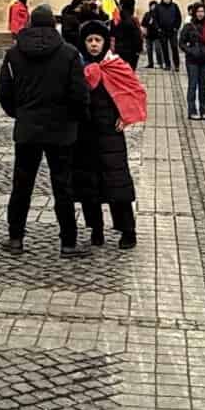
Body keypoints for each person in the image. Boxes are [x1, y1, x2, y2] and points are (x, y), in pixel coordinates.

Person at [0, 5, 89, 256]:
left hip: (27, 129)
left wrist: (19, 113)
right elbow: (80, 94)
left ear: (30, 24)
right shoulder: (69, 54)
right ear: (53, 25)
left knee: (22, 185)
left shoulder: (14, 54)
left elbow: (4, 91)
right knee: (63, 187)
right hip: (62, 130)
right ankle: (68, 242)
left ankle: (15, 239)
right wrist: (76, 119)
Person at [74, 20, 145, 248]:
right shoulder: (78, 66)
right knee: (89, 186)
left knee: (117, 185)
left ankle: (128, 230)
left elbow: (134, 91)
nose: (94, 45)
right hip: (85, 135)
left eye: (98, 40)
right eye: (89, 40)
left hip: (110, 135)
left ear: (105, 42)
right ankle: (96, 229)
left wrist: (125, 116)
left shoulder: (116, 65)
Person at [181, 2, 205, 120]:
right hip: (192, 60)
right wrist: (190, 51)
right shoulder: (188, 26)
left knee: (203, 86)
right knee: (192, 85)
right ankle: (192, 110)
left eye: (202, 11)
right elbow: (182, 42)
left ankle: (204, 110)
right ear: (194, 12)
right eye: (198, 11)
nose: (200, 14)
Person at [113, 0, 144, 69]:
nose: (118, 7)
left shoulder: (126, 20)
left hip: (126, 54)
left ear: (123, 6)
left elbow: (137, 37)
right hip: (130, 53)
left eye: (120, 5)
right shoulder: (131, 19)